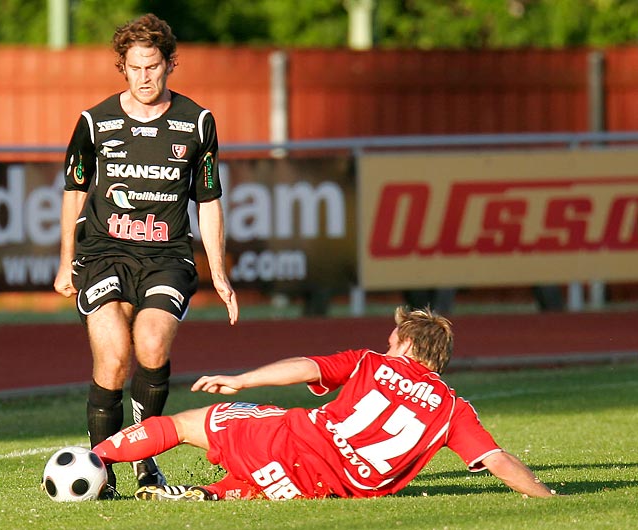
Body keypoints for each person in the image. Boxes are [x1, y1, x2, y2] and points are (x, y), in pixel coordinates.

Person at [92, 307, 557, 501]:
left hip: (294, 441)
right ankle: (211, 494)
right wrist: (546, 496)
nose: (388, 339)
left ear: (408, 343)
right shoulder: (454, 409)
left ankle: (96, 458)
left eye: (394, 335)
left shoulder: (372, 362)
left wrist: (243, 381)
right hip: (327, 487)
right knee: (276, 467)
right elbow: (496, 460)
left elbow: (307, 367)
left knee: (187, 423)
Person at [53, 13, 238, 498]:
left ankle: (145, 455)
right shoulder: (95, 122)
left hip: (167, 256)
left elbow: (210, 200)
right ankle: (104, 468)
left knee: (152, 345)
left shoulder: (197, 121)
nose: (144, 78)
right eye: (134, 68)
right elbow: (74, 191)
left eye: (153, 67)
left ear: (169, 64)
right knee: (113, 358)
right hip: (102, 252)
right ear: (123, 67)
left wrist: (219, 271)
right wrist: (63, 260)